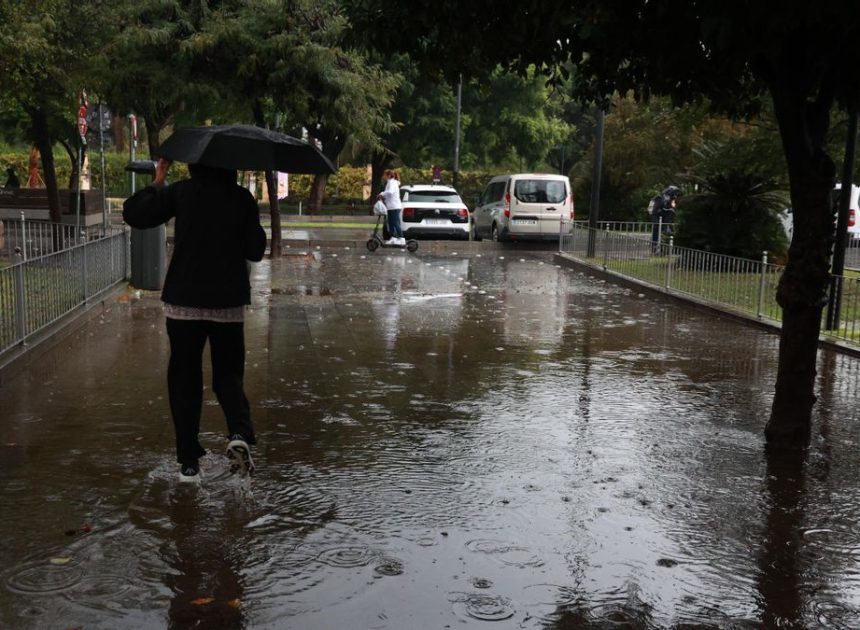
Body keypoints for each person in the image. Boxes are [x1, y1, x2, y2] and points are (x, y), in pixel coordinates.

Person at [122, 158, 266, 482]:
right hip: (227, 303)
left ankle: (189, 461)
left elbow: (135, 214)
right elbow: (255, 250)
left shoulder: (181, 192)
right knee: (229, 375)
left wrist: (158, 181)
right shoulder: (242, 198)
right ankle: (239, 433)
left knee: (184, 377)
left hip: (184, 301)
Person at [379, 169, 405, 245]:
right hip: (391, 206)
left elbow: (390, 192)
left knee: (395, 223)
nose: (384, 176)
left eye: (385, 175)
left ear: (389, 175)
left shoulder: (392, 182)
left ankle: (401, 238)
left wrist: (382, 194)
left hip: (394, 206)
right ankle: (393, 238)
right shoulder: (390, 183)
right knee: (391, 223)